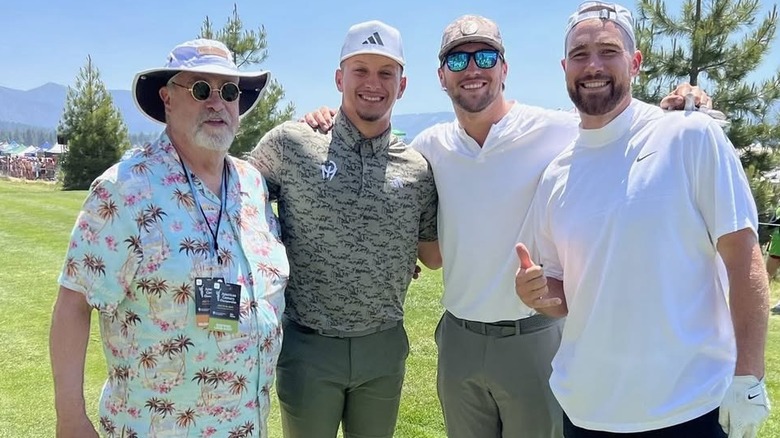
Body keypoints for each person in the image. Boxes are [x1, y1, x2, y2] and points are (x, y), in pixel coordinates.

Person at [302, 13, 705, 438]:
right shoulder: (429, 148)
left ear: (504, 68)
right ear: (441, 76)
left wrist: (678, 101)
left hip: (532, 337)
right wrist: (328, 117)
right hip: (457, 339)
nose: (472, 69)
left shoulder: (559, 129)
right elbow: (388, 186)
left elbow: (619, 119)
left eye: (485, 56)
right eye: (457, 61)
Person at [515, 2, 770, 436]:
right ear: (564, 67)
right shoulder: (556, 175)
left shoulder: (689, 136)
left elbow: (743, 259)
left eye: (608, 51)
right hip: (588, 412)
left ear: (635, 62)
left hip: (690, 408)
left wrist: (748, 377)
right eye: (579, 54)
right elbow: (563, 293)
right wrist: (535, 293)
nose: (592, 65)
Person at [49, 39, 289, 437]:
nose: (217, 102)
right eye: (200, 89)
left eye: (229, 91)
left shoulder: (252, 185)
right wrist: (71, 418)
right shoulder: (124, 189)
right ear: (167, 99)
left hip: (246, 426)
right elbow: (73, 303)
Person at [247, 21, 439, 438]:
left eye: (386, 73)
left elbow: (430, 253)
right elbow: (238, 206)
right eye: (361, 70)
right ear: (339, 77)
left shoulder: (417, 169)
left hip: (383, 347)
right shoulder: (293, 143)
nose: (373, 83)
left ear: (402, 85)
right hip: (308, 344)